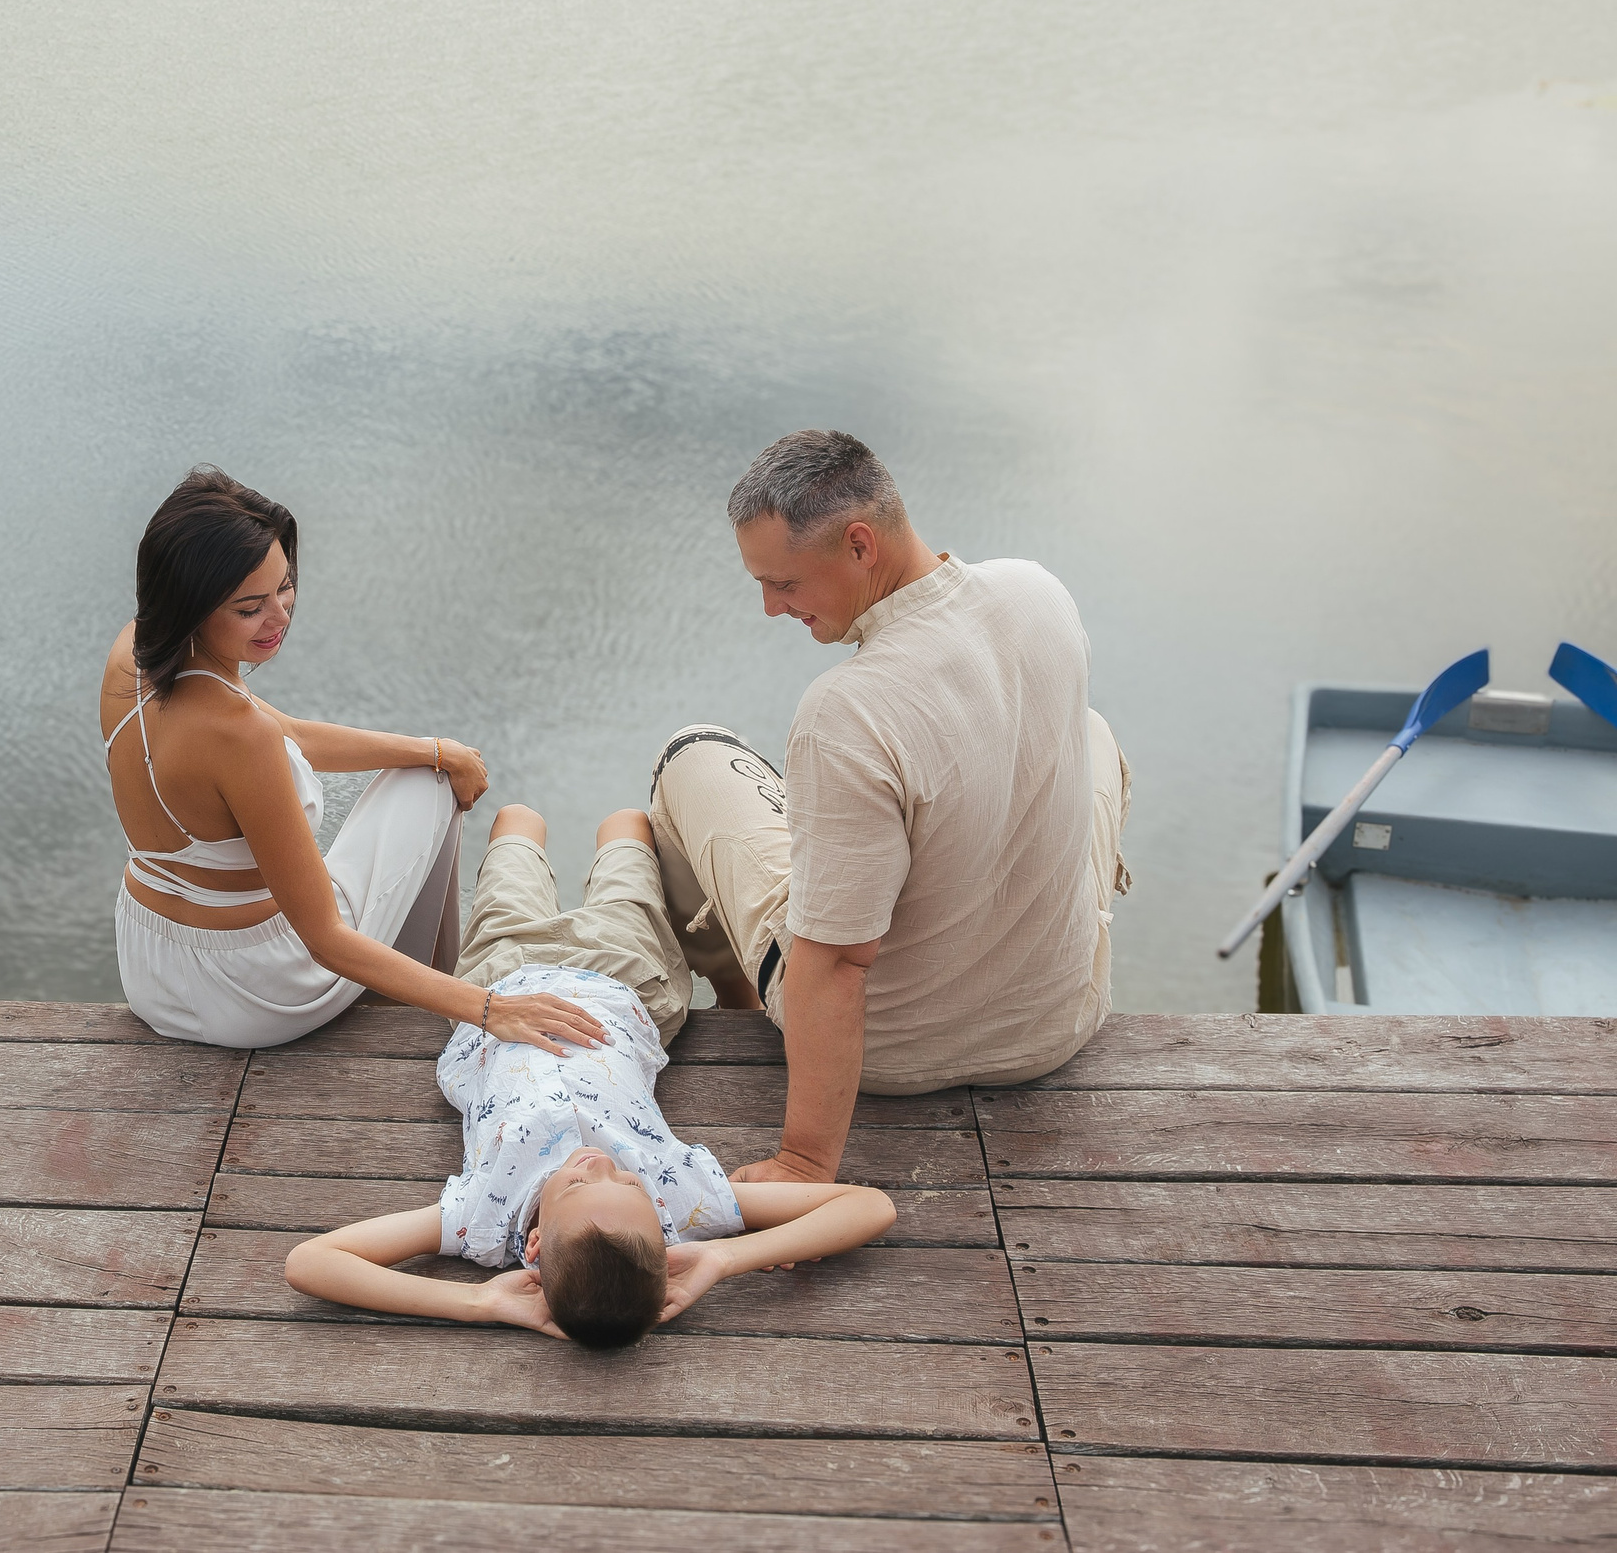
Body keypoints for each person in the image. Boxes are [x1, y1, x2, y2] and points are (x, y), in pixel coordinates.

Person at [647, 429, 1131, 1186]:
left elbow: (837, 963)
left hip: (896, 1052)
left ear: (861, 545)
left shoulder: (847, 712)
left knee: (689, 752)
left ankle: (741, 996)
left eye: (784, 583)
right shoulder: (1039, 590)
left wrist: (805, 1162)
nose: (771, 607)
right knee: (1092, 732)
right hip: (1058, 1023)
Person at [283, 803, 896, 1348]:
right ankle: (618, 823)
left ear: (534, 1248)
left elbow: (311, 1261)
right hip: (621, 976)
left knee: (515, 823)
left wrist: (478, 1301)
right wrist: (723, 1258)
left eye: (579, 1187)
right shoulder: (682, 1204)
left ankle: (530, 823)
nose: (601, 1165)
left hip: (501, 981)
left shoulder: (481, 1219)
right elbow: (868, 1206)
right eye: (631, 1189)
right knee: (627, 828)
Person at [103, 468, 606, 1054]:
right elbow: (324, 940)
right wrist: (490, 1010)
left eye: (284, 586)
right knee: (430, 787)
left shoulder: (133, 654)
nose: (280, 615)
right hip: (254, 993)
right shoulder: (240, 734)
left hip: (150, 966)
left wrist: (434, 747)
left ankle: (411, 986)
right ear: (193, 607)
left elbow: (285, 732)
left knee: (430, 764)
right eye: (249, 608)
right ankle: (436, 993)